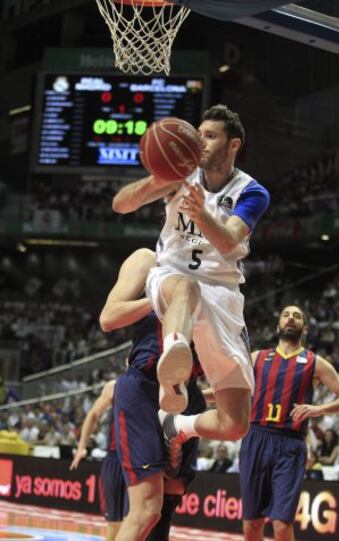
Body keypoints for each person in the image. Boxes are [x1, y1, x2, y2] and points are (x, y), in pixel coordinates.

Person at [112, 104, 270, 449]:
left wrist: (200, 214)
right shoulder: (179, 177)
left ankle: (176, 424)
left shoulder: (253, 192)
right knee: (186, 286)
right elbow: (121, 205)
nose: (201, 143)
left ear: (234, 145)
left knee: (235, 424)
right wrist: (159, 177)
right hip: (172, 276)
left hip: (223, 294)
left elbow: (228, 242)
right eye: (198, 136)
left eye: (210, 137)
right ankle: (174, 372)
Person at [99, 248, 207, 541]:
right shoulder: (148, 260)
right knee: (146, 509)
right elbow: (108, 318)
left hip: (188, 391)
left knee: (170, 497)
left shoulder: (216, 269)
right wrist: (163, 298)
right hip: (145, 386)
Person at [239, 305, 339, 541]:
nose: (290, 318)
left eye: (297, 316)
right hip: (256, 439)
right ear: (278, 326)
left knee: (282, 525)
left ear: (305, 328)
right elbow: (229, 389)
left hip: (290, 444)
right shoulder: (257, 358)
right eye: (285, 314)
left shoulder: (315, 362)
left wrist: (317, 409)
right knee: (252, 525)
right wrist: (193, 395)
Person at [70, 380, 126, 541]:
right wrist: (81, 445)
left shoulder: (155, 385)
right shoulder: (114, 387)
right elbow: (93, 414)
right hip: (116, 457)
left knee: (135, 519)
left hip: (139, 458)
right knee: (114, 521)